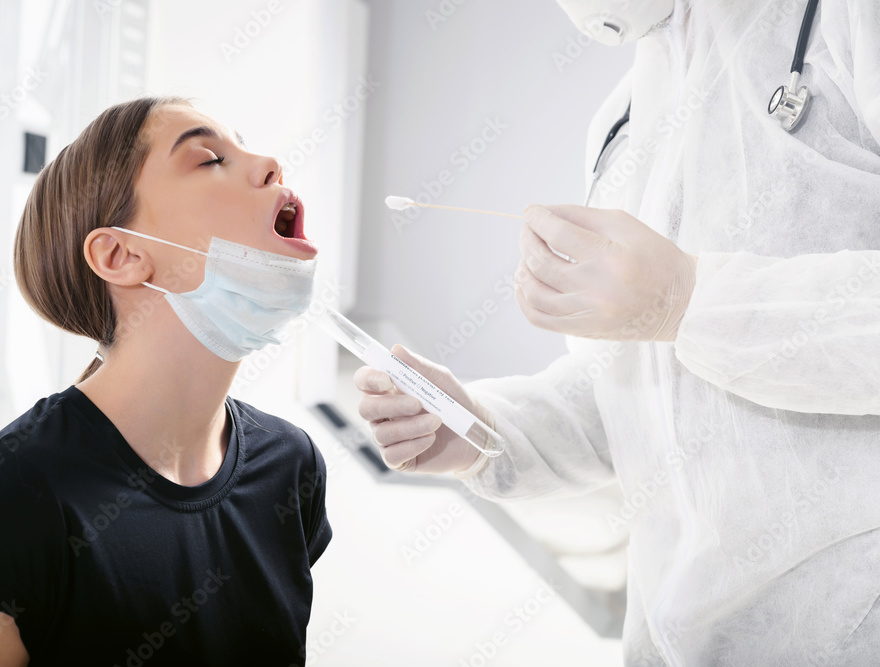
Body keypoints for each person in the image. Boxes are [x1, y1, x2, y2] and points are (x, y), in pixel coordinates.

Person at [356, 0, 880, 664]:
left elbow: (684, 317)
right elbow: (639, 397)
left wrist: (688, 300)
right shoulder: (625, 121)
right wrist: (487, 432)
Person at [0, 97, 332, 666]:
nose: (272, 163)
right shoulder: (7, 501)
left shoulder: (291, 466)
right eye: (209, 159)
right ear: (121, 254)